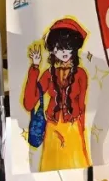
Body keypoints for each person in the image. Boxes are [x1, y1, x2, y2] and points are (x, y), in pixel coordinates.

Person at [23, 18, 91, 171]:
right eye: (59, 48)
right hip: (52, 128)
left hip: (73, 128)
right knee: (51, 169)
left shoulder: (81, 75)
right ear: (52, 50)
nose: (64, 52)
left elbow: (82, 105)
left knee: (77, 166)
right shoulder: (48, 75)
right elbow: (29, 103)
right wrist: (34, 68)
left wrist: (81, 128)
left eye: (69, 47)